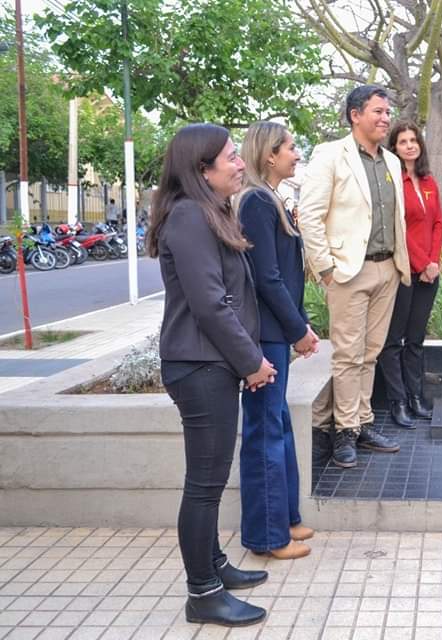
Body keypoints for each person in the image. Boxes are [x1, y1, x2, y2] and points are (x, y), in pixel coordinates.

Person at [147, 123, 277, 627]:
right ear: (202, 170)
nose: (241, 163)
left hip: (210, 363)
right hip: (200, 366)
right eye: (231, 157)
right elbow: (210, 304)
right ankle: (202, 593)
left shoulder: (207, 212)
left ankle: (215, 566)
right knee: (204, 485)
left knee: (211, 482)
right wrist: (252, 361)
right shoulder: (189, 217)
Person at [298, 84, 412, 468]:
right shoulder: (330, 155)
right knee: (348, 355)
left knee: (370, 353)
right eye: (378, 111)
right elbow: (310, 216)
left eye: (387, 112)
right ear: (355, 115)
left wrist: (398, 265)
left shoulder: (391, 161)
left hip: (387, 268)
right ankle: (344, 431)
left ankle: (361, 423)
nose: (385, 118)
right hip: (348, 271)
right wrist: (326, 269)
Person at [236, 122, 319, 560]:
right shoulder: (256, 202)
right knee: (265, 433)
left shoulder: (270, 199)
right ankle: (267, 538)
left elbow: (285, 276)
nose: (296, 154)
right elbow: (266, 278)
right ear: (269, 155)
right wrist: (297, 330)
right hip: (265, 336)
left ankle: (285, 519)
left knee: (278, 426)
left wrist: (300, 323)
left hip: (275, 333)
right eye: (290, 147)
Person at [379, 121, 442, 428]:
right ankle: (398, 401)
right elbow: (399, 229)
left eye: (413, 140)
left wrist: (434, 262)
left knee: (416, 339)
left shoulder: (428, 181)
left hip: (429, 273)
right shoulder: (392, 182)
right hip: (404, 271)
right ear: (394, 147)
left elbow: (438, 223)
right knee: (394, 340)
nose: (409, 145)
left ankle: (416, 397)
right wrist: (422, 263)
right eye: (403, 141)